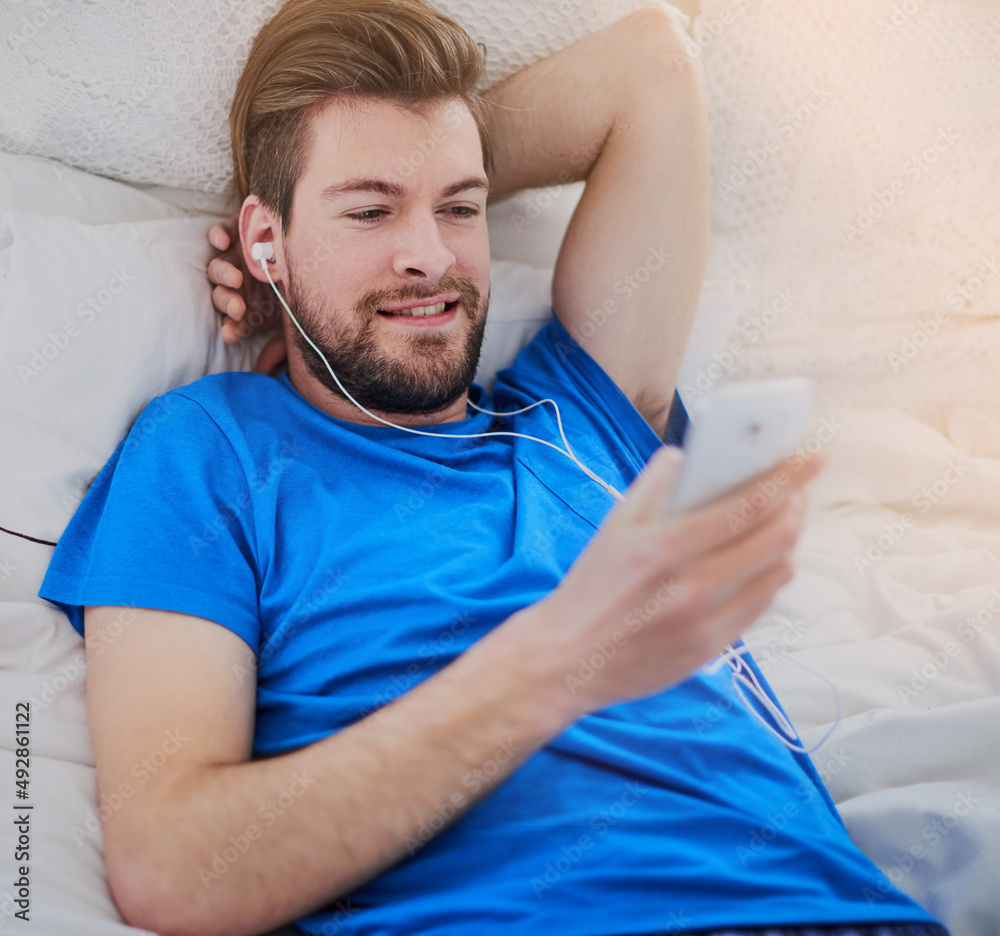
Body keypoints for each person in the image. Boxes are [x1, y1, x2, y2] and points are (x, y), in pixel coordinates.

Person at [38, 2, 948, 935]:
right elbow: (173, 869)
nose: (429, 257)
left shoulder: (582, 412)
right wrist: (556, 661)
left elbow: (651, 65)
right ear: (261, 236)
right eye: (371, 208)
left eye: (460, 208)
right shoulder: (206, 449)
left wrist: (381, 198)